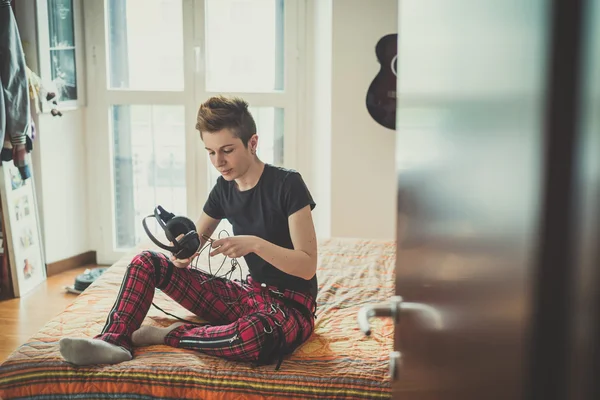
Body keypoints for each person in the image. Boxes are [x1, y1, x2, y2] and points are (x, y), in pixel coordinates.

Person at [59, 96, 318, 369]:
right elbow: (193, 246)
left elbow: (307, 265)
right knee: (146, 262)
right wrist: (181, 255)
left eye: (227, 150)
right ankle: (114, 341)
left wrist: (254, 244)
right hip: (248, 296)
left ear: (252, 143)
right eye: (210, 151)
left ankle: (165, 335)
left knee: (251, 336)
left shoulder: (288, 184)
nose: (218, 161)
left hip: (290, 307)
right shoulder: (223, 189)